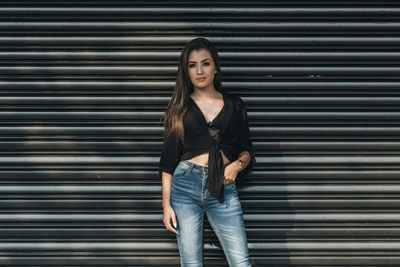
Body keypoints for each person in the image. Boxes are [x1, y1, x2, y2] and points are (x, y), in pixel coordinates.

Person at [159, 37, 256, 267]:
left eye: (205, 63)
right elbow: (168, 159)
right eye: (192, 65)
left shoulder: (235, 105)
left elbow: (247, 150)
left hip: (223, 187)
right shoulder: (180, 107)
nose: (199, 71)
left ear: (216, 67)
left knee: (241, 262)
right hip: (184, 188)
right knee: (191, 263)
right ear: (186, 71)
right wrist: (166, 205)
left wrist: (237, 165)